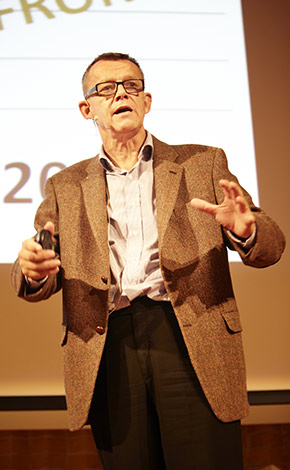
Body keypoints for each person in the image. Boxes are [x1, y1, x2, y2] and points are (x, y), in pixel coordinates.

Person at [11, 52, 285, 470]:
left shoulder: (202, 162)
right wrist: (31, 271)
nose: (121, 93)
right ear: (87, 108)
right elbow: (37, 263)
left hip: (188, 335)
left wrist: (245, 230)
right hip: (108, 344)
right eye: (106, 88)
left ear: (147, 100)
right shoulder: (64, 185)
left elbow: (272, 247)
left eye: (132, 85)